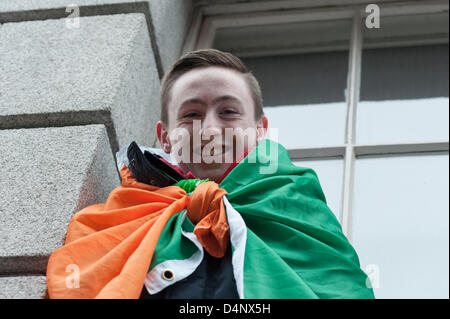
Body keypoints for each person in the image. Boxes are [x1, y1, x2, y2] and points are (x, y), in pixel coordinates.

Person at [46, 49, 375, 299]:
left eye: (229, 112)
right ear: (164, 137)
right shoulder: (110, 221)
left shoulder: (296, 202)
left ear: (260, 130)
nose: (210, 129)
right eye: (191, 114)